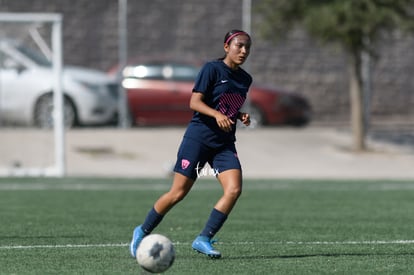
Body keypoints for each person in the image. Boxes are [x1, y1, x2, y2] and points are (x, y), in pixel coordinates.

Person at [130, 29, 252, 259]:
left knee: (234, 189)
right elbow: (195, 102)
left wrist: (239, 115)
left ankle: (203, 238)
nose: (244, 51)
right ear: (227, 47)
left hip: (224, 144)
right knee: (178, 193)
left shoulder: (246, 79)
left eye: (247, 47)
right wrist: (217, 115)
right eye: (239, 45)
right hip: (198, 139)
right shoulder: (211, 69)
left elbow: (227, 106)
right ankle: (142, 230)